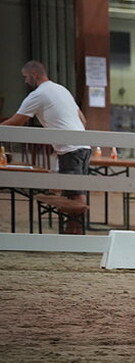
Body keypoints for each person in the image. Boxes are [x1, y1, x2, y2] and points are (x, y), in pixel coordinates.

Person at [1, 60, 90, 234]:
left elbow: (18, 120)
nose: (25, 81)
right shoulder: (61, 90)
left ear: (34, 75)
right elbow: (83, 119)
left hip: (69, 148)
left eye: (26, 77)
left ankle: (75, 235)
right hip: (83, 145)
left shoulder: (39, 94)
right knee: (74, 190)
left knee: (75, 194)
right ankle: (73, 231)